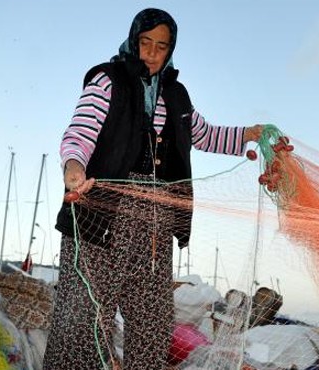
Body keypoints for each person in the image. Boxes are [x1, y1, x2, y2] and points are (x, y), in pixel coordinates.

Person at [44, 8, 263, 370]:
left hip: (154, 225)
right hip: (100, 214)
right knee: (82, 323)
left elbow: (205, 136)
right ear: (133, 40)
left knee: (152, 324)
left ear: (170, 49)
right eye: (145, 43)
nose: (152, 53)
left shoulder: (176, 96)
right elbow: (79, 134)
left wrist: (249, 134)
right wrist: (74, 169)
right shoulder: (107, 80)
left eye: (161, 46)